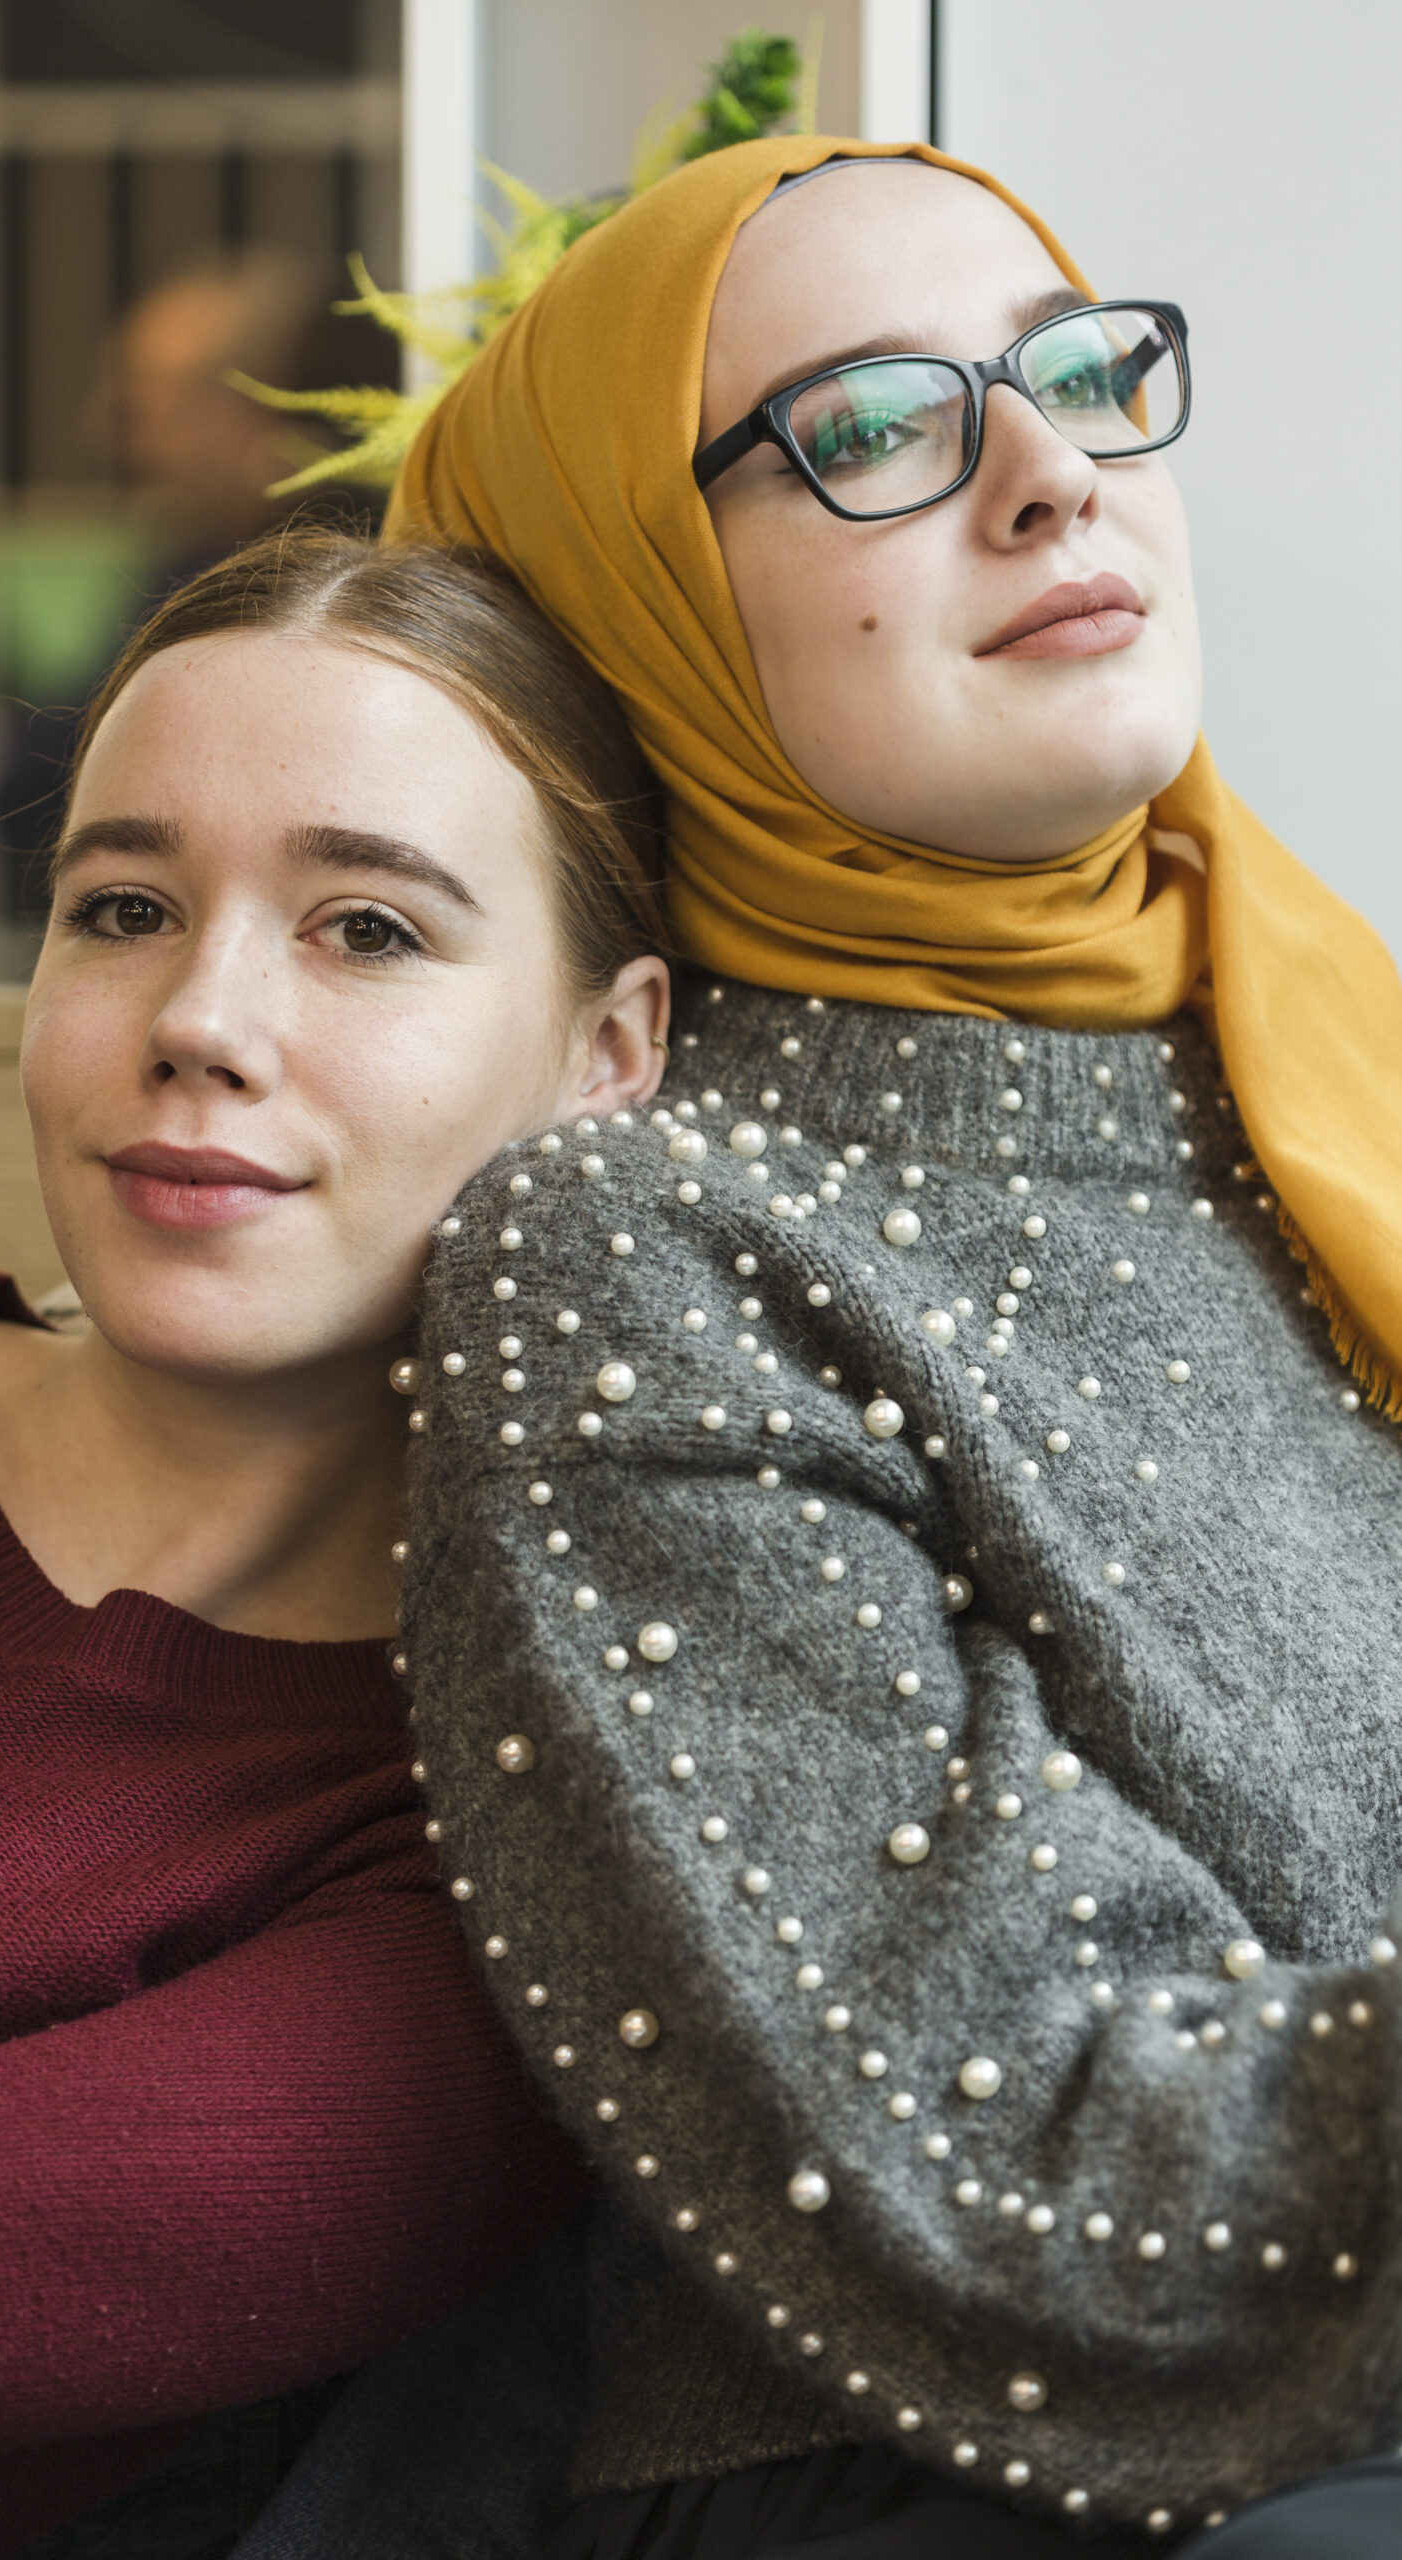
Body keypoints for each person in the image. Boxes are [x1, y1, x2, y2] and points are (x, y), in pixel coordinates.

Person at [365, 136, 1402, 2555]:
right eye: (866, 427)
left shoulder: (1325, 1095)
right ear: (632, 609)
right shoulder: (636, 1249)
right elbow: (1024, 2158)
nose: (1044, 471)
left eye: (1066, 374)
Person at [0, 526, 672, 2560]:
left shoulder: (487, 1869)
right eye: (121, 904)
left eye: (368, 930)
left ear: (609, 1054)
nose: (201, 1015)